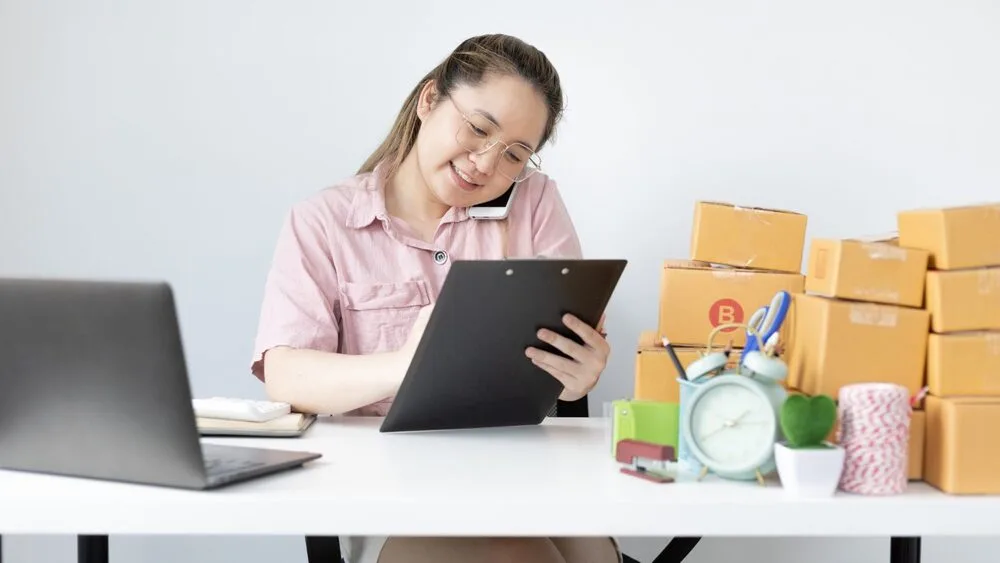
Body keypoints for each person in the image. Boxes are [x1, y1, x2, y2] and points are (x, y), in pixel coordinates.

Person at [250, 33, 620, 563]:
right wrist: (405, 366)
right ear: (429, 101)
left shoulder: (535, 203)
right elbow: (285, 375)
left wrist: (580, 375)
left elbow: (571, 361)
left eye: (516, 154)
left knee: (593, 556)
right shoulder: (324, 222)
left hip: (523, 471)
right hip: (388, 487)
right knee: (515, 551)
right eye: (477, 129)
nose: (486, 164)